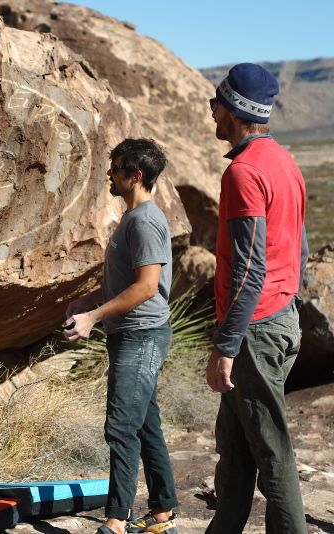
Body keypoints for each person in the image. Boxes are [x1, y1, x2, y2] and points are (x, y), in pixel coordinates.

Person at [204, 63, 308, 534]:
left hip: (255, 329)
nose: (211, 112)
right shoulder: (284, 161)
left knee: (270, 448)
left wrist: (227, 346)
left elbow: (249, 268)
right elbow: (300, 247)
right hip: (279, 317)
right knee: (236, 442)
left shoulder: (243, 173)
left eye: (216, 104)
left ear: (232, 111)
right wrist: (290, 304)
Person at [63, 139, 178, 534]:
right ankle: (163, 510)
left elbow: (147, 287)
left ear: (136, 175)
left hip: (141, 337)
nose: (109, 174)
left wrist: (93, 317)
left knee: (121, 428)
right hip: (132, 336)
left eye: (115, 168)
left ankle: (116, 520)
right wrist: (89, 299)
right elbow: (128, 279)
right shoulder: (132, 219)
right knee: (145, 425)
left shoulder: (145, 221)